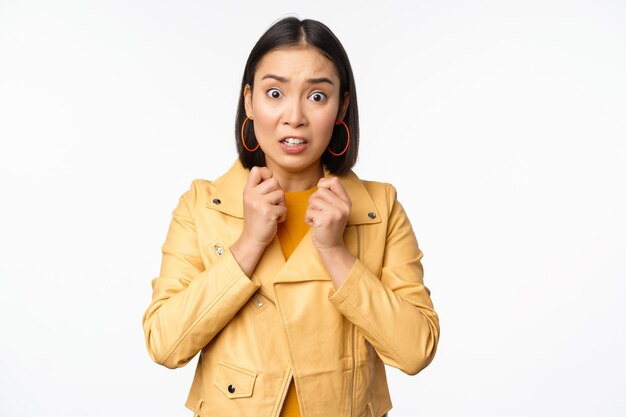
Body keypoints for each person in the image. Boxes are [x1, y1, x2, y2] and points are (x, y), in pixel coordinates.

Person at [142, 16, 439, 417]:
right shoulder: (202, 206)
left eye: (317, 96)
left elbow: (415, 350)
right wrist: (248, 244)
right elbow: (165, 344)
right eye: (275, 92)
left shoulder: (379, 208)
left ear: (342, 106)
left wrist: (336, 252)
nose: (294, 116)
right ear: (249, 100)